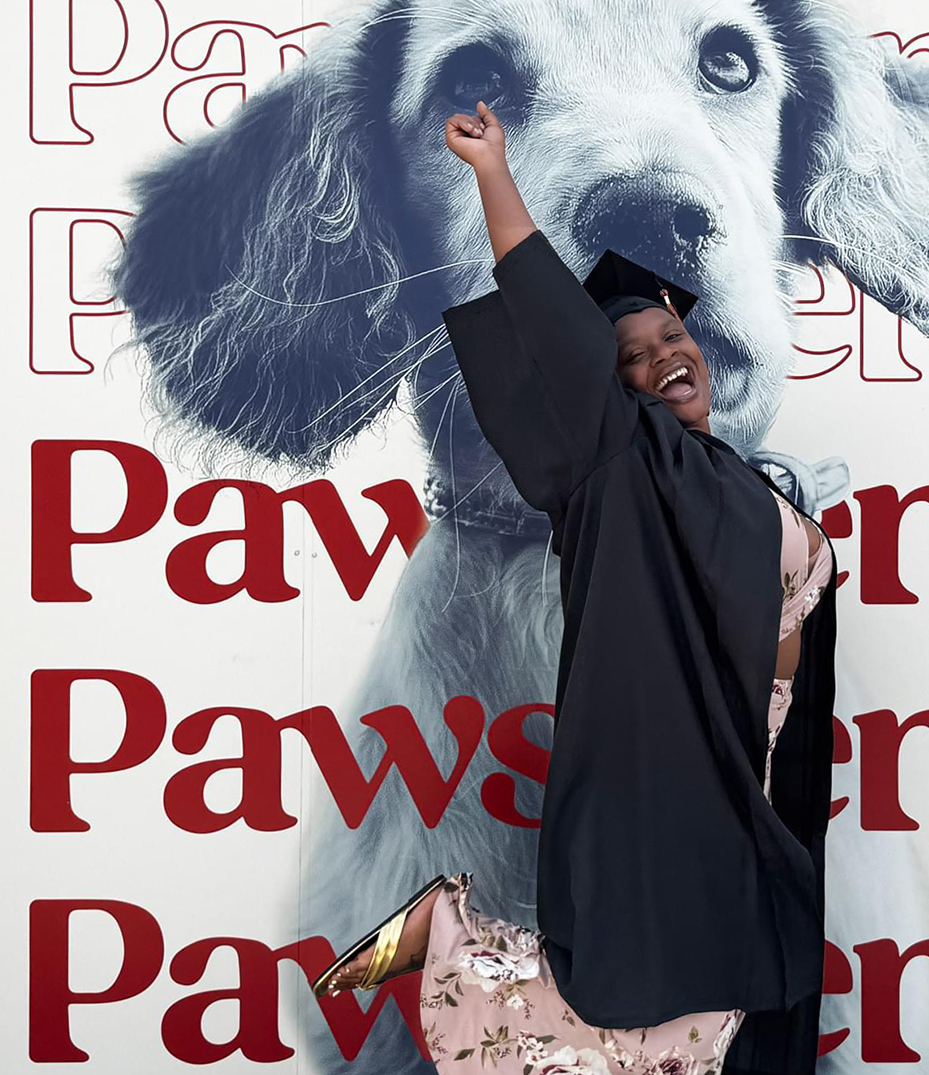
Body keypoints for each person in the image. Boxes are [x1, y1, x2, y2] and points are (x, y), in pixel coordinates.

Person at [312, 101, 839, 1075]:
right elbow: (547, 310)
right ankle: (453, 949)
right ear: (611, 390)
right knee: (654, 1020)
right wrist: (493, 174)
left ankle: (457, 946)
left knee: (741, 1013)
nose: (659, 359)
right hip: (654, 791)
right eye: (628, 357)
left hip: (751, 792)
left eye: (664, 335)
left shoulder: (756, 493)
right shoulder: (621, 471)